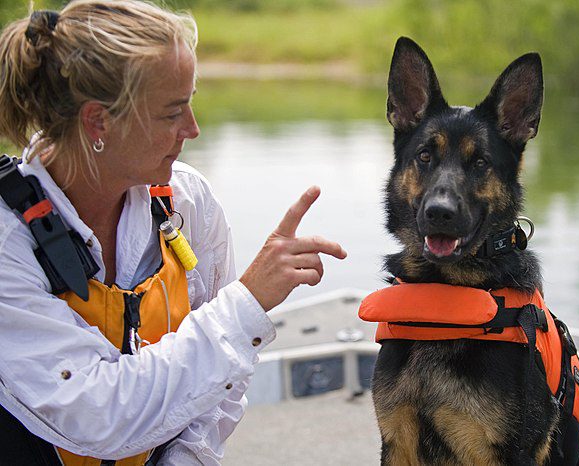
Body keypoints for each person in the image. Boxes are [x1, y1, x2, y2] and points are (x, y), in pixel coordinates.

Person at [0, 1, 347, 465]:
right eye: (172, 113)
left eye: (191, 103)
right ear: (97, 121)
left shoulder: (187, 200)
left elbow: (222, 382)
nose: (194, 129)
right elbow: (97, 415)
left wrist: (187, 458)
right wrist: (245, 305)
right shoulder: (8, 243)